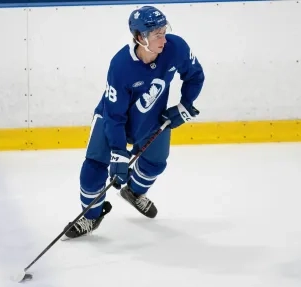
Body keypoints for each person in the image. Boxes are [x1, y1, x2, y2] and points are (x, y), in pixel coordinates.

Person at [62, 5, 205, 239]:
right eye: (156, 34)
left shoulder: (176, 47)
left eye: (164, 30)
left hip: (151, 117)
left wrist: (185, 104)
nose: (164, 38)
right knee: (94, 167)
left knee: (156, 163)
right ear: (140, 37)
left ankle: (134, 192)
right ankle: (90, 217)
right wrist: (119, 151)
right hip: (111, 119)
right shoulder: (120, 66)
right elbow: (114, 116)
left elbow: (195, 75)